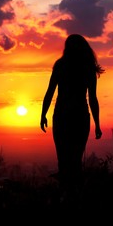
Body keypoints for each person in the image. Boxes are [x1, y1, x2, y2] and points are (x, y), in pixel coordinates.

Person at [40, 34, 103, 201]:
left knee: (64, 160)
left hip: (62, 117)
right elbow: (93, 98)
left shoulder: (61, 66)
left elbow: (50, 92)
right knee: (75, 160)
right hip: (80, 117)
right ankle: (74, 197)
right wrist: (97, 124)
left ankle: (67, 196)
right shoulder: (87, 67)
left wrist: (43, 114)